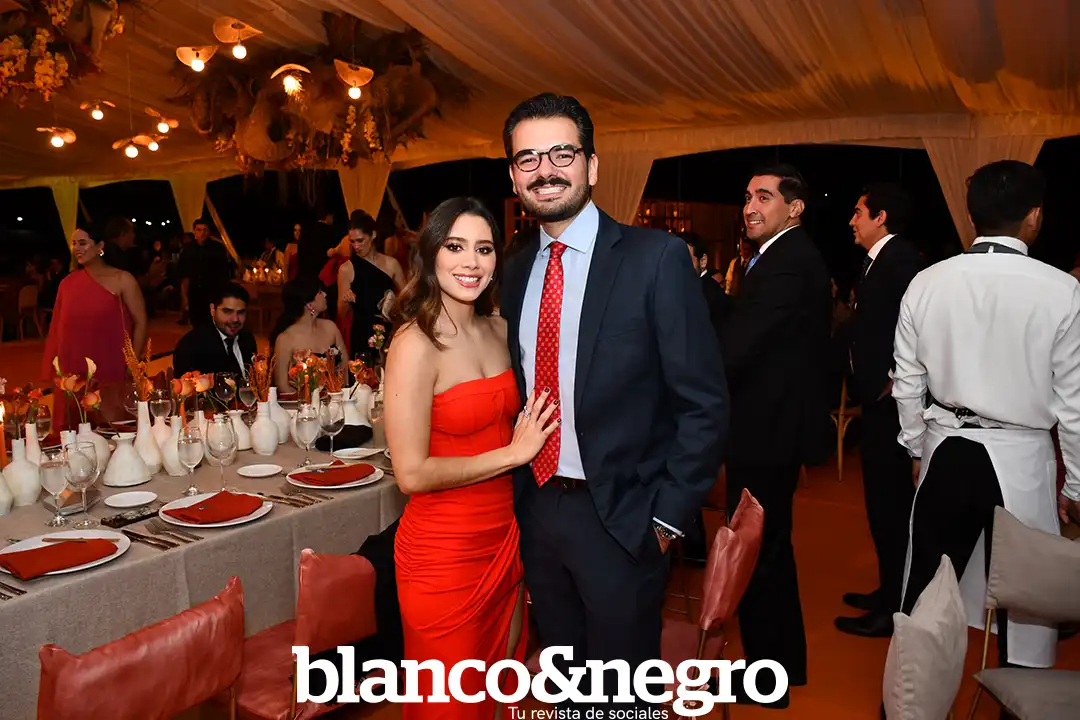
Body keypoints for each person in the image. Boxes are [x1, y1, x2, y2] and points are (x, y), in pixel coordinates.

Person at [498, 93, 728, 711]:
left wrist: (666, 520)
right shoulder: (515, 272)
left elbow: (704, 403)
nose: (546, 170)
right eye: (528, 159)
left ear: (592, 165)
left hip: (623, 518)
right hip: (539, 508)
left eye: (562, 153)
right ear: (513, 177)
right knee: (565, 685)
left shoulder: (655, 259)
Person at [893, 160, 1080, 671]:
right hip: (1020, 459)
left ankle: (907, 698)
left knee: (927, 587)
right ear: (1034, 216)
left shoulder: (927, 281)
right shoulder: (1062, 290)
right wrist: (1076, 486)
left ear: (972, 216)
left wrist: (915, 446)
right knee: (1025, 597)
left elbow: (907, 382)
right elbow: (1074, 403)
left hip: (945, 447)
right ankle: (1018, 695)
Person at [384, 196, 558, 720]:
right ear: (431, 254)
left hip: (504, 540)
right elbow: (411, 473)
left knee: (499, 692)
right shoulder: (414, 344)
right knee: (449, 706)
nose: (471, 262)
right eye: (455, 246)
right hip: (442, 556)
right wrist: (512, 454)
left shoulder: (501, 330)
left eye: (484, 249)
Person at [721, 163, 832, 706]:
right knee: (769, 550)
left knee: (755, 551)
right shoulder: (779, 257)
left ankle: (766, 680)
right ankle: (783, 668)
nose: (750, 206)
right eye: (747, 196)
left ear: (795, 207)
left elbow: (740, 347)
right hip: (771, 426)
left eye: (763, 196)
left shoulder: (787, 262)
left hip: (766, 429)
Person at [835, 183, 923, 638]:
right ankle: (889, 590)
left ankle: (895, 607)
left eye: (858, 212)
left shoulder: (901, 260)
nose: (852, 220)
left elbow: (917, 326)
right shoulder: (878, 261)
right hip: (876, 400)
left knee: (890, 508)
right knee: (879, 505)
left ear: (880, 217)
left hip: (892, 406)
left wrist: (894, 376)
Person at [42, 228, 148, 430]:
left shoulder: (123, 279)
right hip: (73, 368)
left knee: (113, 427)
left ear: (100, 246)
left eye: (83, 243)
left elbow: (141, 322)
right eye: (74, 244)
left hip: (111, 364)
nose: (77, 248)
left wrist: (133, 362)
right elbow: (57, 330)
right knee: (73, 429)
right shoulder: (67, 284)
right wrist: (55, 370)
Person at [337, 211, 396, 364]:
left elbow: (408, 300)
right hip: (362, 335)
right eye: (352, 242)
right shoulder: (346, 269)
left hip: (390, 333)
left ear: (373, 235)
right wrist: (346, 301)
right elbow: (341, 313)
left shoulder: (391, 264)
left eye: (360, 240)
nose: (356, 246)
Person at [270, 278, 347, 392]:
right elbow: (282, 385)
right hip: (300, 401)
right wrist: (306, 400)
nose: (325, 295)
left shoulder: (331, 328)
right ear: (308, 304)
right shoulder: (285, 339)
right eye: (320, 292)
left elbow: (344, 367)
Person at [172, 282, 257, 380]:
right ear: (213, 310)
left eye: (241, 312)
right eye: (227, 311)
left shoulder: (247, 337)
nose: (235, 319)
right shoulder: (191, 346)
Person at [177, 219, 235, 327]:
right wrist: (184, 296)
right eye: (199, 230)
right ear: (194, 231)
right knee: (196, 324)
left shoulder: (218, 248)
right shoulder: (187, 250)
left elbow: (224, 273)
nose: (202, 233)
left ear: (209, 232)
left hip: (212, 292)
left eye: (205, 230)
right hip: (194, 293)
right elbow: (184, 274)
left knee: (213, 324)